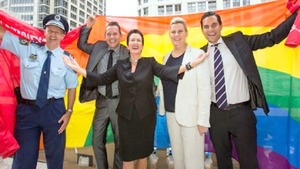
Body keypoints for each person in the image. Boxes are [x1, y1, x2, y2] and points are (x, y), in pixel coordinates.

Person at [63, 29, 207, 169]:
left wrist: (190, 64)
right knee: (128, 157)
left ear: (142, 45)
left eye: (138, 40)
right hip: (126, 118)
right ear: (128, 44)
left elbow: (167, 72)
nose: (135, 42)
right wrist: (77, 68)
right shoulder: (120, 65)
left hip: (146, 117)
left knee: (143, 156)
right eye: (133, 40)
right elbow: (101, 78)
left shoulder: (150, 62)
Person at [200, 10, 299, 169]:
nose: (210, 29)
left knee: (249, 162)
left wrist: (297, 16)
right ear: (202, 30)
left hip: (241, 114)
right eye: (206, 27)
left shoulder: (238, 41)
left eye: (214, 25)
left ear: (221, 25)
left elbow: (271, 37)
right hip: (216, 115)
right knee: (223, 163)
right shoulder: (200, 54)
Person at [0, 14, 78, 169]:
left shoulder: (67, 59)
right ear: (44, 31)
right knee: (24, 159)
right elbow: (2, 34)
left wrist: (69, 111)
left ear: (63, 36)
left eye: (57, 31)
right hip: (27, 111)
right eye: (50, 30)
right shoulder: (27, 47)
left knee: (55, 158)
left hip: (54, 111)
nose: (53, 34)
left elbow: (72, 87)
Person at [157, 17, 211, 169]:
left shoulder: (197, 54)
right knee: (178, 160)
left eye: (180, 31)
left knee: (193, 162)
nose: (176, 35)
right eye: (173, 32)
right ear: (169, 34)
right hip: (170, 114)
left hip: (191, 117)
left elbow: (205, 89)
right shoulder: (166, 57)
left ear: (186, 33)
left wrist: (202, 120)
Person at [77, 16, 128, 169]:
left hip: (119, 103)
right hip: (101, 102)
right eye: (109, 34)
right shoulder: (99, 47)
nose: (112, 37)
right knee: (96, 140)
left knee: (120, 142)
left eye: (115, 34)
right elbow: (81, 44)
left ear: (120, 35)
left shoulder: (127, 52)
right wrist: (88, 26)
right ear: (105, 36)